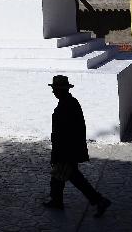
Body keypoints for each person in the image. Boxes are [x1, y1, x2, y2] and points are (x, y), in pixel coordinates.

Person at [42, 75, 112, 217]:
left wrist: (58, 154)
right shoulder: (70, 103)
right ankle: (57, 200)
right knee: (59, 177)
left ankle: (99, 200)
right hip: (69, 149)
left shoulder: (66, 106)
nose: (53, 92)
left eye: (55, 89)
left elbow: (64, 133)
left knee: (73, 178)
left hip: (66, 151)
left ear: (60, 90)